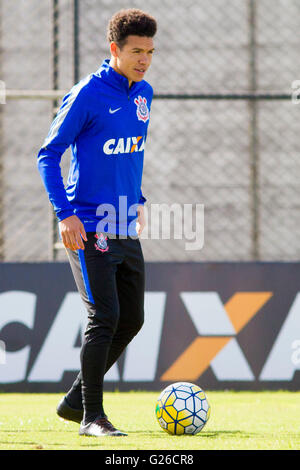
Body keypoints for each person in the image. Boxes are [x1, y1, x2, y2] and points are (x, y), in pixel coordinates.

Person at [37, 8, 157, 437]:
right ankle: (92, 417)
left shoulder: (144, 94)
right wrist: (65, 214)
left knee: (132, 319)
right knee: (104, 317)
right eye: (136, 51)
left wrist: (138, 199)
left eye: (150, 51)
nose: (144, 59)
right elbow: (48, 154)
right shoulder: (88, 92)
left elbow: (131, 154)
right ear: (115, 50)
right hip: (88, 224)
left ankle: (74, 402)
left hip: (124, 222)